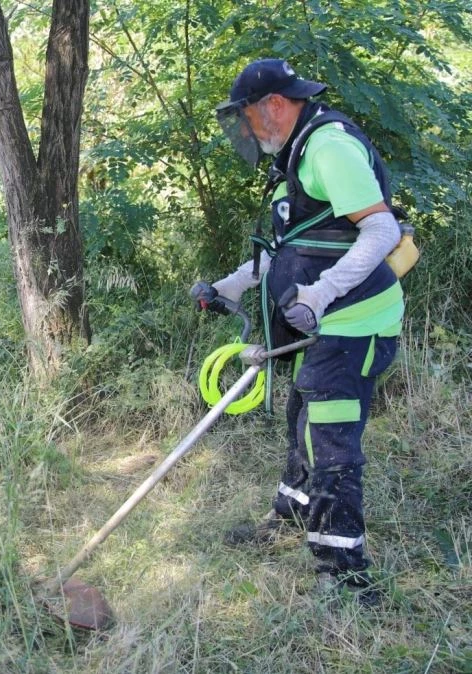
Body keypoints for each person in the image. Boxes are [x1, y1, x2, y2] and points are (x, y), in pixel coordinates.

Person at [194, 58, 405, 606]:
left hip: (356, 322)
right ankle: (291, 515)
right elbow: (300, 248)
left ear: (276, 105)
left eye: (247, 117)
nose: (244, 130)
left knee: (331, 440)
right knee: (301, 415)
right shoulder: (297, 154)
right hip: (324, 324)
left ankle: (346, 575)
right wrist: (227, 287)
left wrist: (318, 294)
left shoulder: (328, 148)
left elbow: (381, 230)